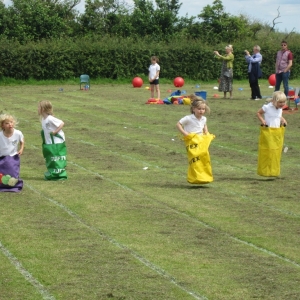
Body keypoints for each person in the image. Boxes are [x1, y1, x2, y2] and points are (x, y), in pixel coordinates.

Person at [38, 100, 67, 180]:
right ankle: (52, 173)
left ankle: (59, 175)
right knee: (51, 158)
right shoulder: (43, 119)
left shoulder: (50, 118)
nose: (37, 109)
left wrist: (55, 132)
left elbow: (61, 123)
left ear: (43, 109)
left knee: (56, 158)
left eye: (39, 107)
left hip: (56, 142)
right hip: (49, 142)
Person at [0, 114, 24, 191]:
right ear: (2, 125)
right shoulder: (0, 135)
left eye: (11, 122)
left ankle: (14, 185)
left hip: (13, 157)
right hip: (2, 157)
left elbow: (22, 141)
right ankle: (3, 185)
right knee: (3, 174)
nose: (10, 124)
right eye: (7, 123)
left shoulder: (18, 133)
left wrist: (21, 149)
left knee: (12, 172)